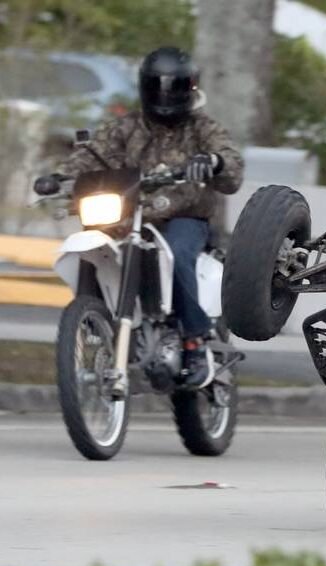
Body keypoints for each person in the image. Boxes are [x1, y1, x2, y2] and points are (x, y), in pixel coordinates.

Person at [34, 46, 244, 388]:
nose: (165, 95)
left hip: (184, 216)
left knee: (176, 254)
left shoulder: (202, 128)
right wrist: (57, 178)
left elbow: (230, 165)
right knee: (95, 245)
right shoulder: (126, 127)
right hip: (131, 215)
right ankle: (92, 320)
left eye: (173, 88)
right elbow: (91, 156)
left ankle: (195, 341)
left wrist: (214, 162)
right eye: (158, 87)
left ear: (189, 89)